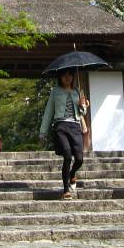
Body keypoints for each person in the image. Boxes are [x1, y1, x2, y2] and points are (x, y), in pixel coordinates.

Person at [39, 69, 88, 199]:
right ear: (60, 77)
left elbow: (83, 113)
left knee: (79, 159)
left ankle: (72, 174)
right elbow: (49, 111)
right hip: (60, 126)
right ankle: (66, 189)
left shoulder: (78, 91)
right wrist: (42, 132)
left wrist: (83, 105)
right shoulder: (55, 92)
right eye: (64, 75)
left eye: (69, 75)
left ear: (73, 76)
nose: (67, 77)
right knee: (67, 156)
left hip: (75, 126)